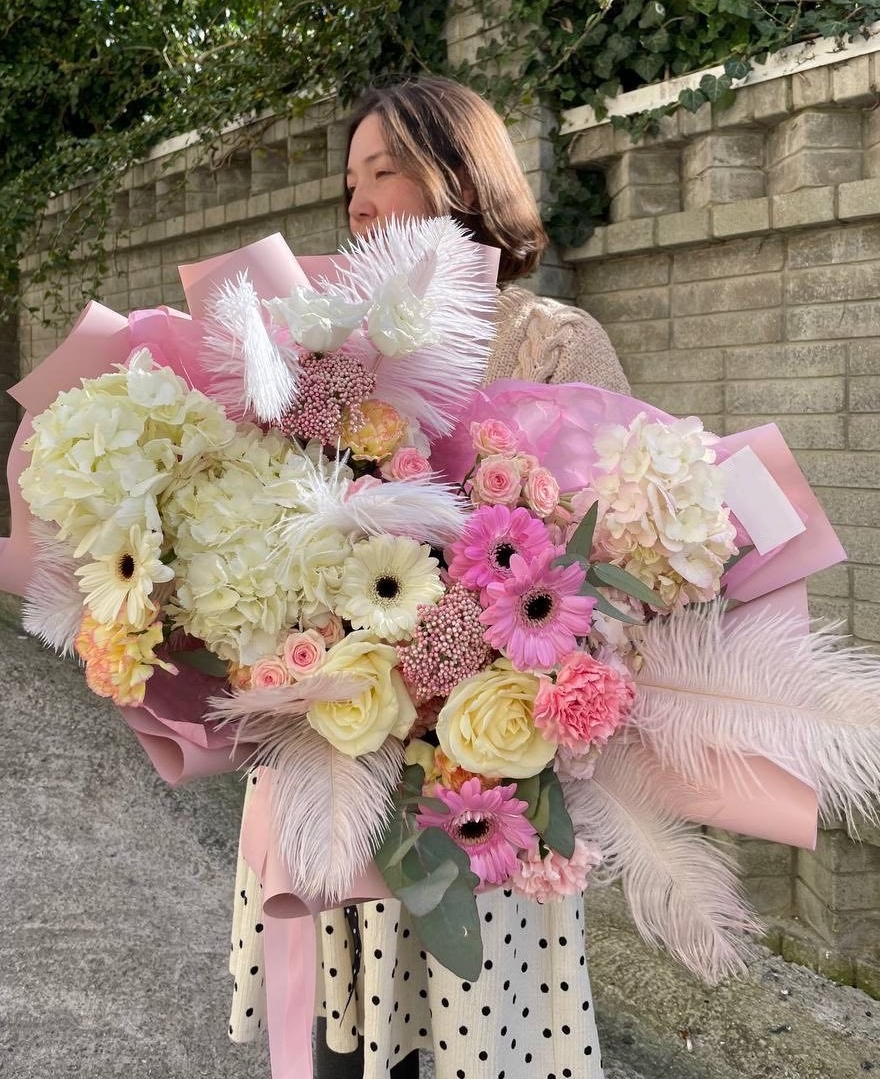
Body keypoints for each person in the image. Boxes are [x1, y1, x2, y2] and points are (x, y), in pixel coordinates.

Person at [227, 76, 629, 1079]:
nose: (359, 203)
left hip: (480, 783)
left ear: (459, 177)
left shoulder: (553, 341)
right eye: (348, 184)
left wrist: (486, 652)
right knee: (339, 1044)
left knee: (474, 1040)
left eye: (383, 172)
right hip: (338, 763)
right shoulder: (325, 343)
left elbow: (610, 566)